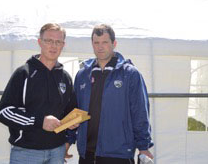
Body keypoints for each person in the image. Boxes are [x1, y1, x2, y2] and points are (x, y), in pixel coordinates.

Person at [66, 24, 154, 164]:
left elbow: (140, 112)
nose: (100, 47)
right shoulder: (82, 75)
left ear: (114, 43)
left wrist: (144, 147)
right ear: (92, 44)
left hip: (118, 154)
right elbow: (75, 112)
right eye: (96, 43)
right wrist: (68, 141)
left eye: (105, 42)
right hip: (87, 153)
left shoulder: (130, 74)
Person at [0, 23, 77, 164]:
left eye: (58, 42)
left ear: (63, 45)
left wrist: (71, 122)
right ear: (40, 42)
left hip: (57, 151)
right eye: (48, 41)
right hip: (26, 153)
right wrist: (40, 121)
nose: (53, 46)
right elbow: (4, 112)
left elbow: (68, 111)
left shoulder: (65, 77)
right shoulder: (24, 73)